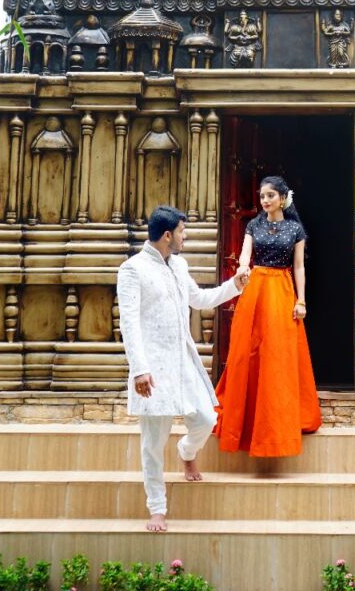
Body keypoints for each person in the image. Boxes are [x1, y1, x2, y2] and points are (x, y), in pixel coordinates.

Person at [117, 205, 249, 532]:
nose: (185, 236)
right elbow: (129, 322)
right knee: (153, 442)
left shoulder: (178, 264)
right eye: (182, 232)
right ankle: (157, 509)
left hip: (183, 361)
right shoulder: (132, 269)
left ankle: (187, 451)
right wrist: (139, 369)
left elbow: (200, 300)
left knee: (207, 418)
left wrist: (234, 285)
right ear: (167, 235)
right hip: (153, 368)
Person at [215, 176, 322, 457]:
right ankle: (247, 419)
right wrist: (241, 269)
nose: (264, 200)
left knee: (278, 354)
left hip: (282, 290)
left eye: (270, 195)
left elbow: (299, 267)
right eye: (262, 196)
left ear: (283, 198)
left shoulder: (295, 229)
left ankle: (278, 422)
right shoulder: (253, 225)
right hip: (257, 289)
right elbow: (244, 256)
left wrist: (301, 300)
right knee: (248, 351)